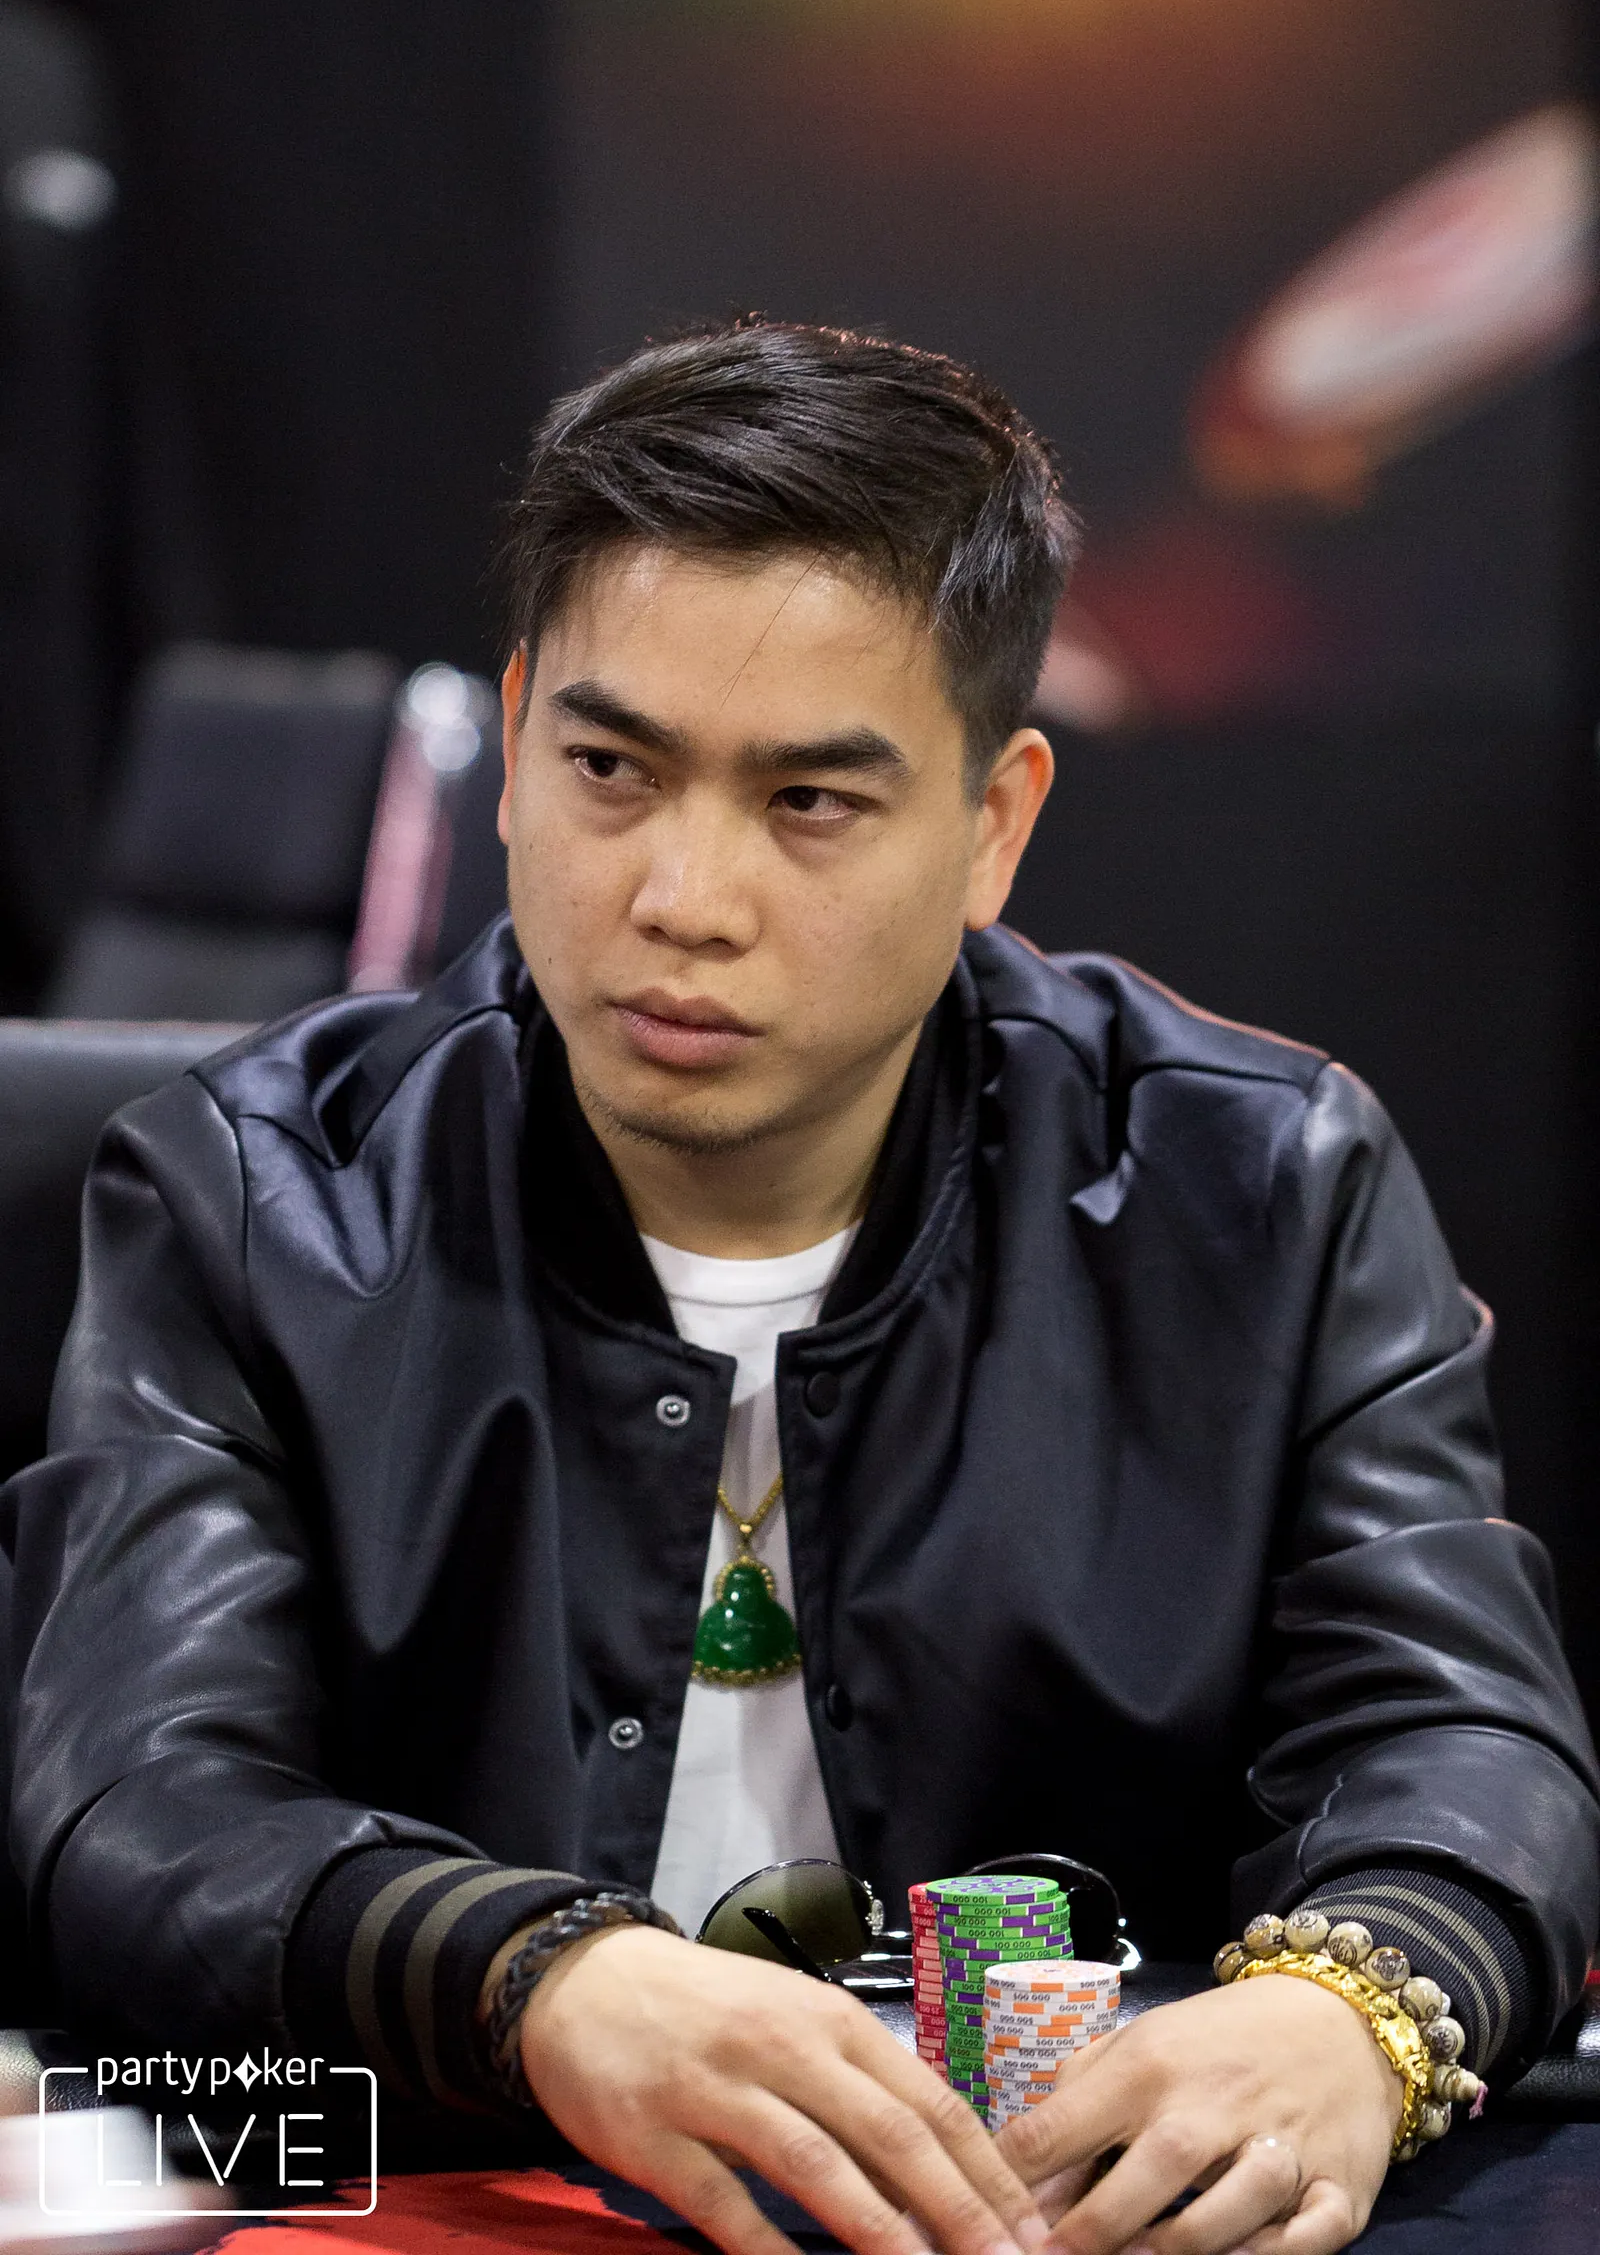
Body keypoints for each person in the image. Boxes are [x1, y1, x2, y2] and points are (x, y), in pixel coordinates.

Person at [2, 323, 1595, 2255]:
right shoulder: (255, 1195)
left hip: (1050, 2203)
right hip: (422, 2164)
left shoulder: (1257, 1188)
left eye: (810, 802)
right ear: (513, 743)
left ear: (994, 823)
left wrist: (1347, 2014)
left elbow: (1461, 1739)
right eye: (610, 767)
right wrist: (539, 1977)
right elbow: (134, 1805)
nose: (684, 898)